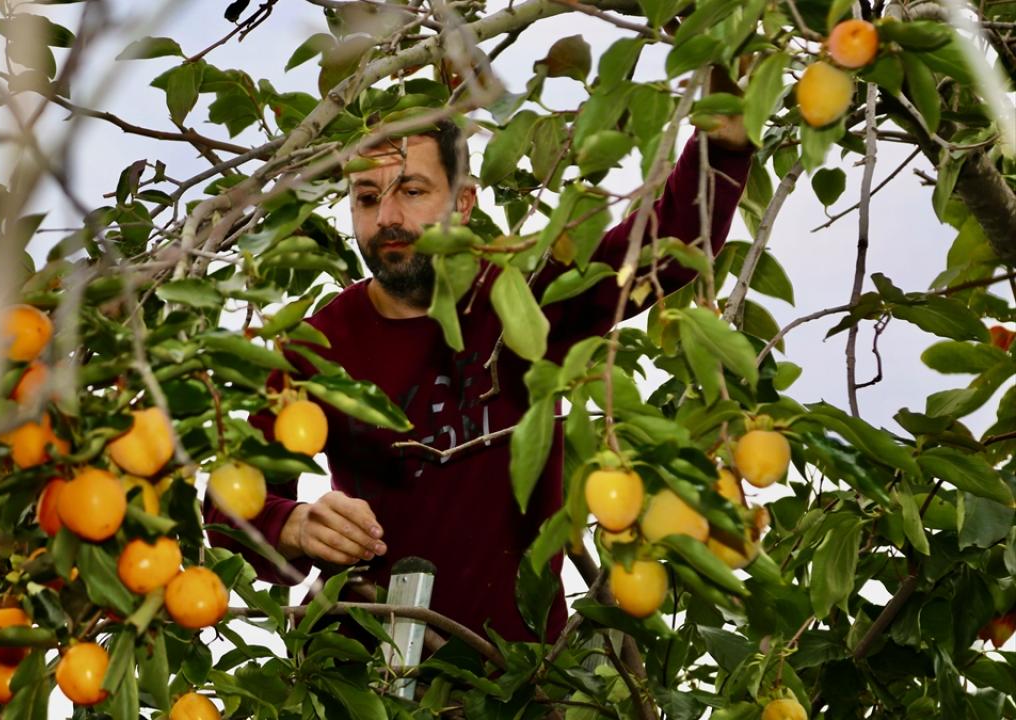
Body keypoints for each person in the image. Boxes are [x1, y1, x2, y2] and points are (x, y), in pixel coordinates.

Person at [206, 99, 753, 644]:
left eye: (412, 191)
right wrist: (297, 525)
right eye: (367, 198)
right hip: (366, 663)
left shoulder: (521, 296)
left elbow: (668, 246)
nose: (388, 218)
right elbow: (231, 509)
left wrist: (723, 144)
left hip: (519, 668)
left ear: (463, 203)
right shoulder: (317, 347)